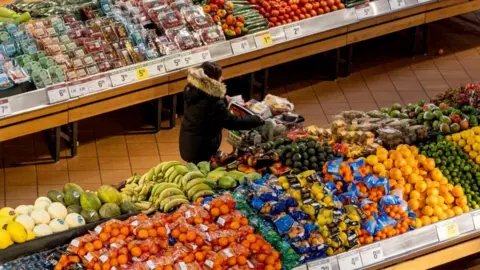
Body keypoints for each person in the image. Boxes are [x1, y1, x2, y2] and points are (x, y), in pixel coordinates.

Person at [179, 62, 264, 163]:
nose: (222, 78)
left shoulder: (193, 88)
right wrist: (256, 119)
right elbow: (232, 122)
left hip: (189, 142)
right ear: (212, 80)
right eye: (219, 77)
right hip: (201, 149)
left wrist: (222, 98)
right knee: (202, 172)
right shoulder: (212, 101)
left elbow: (205, 104)